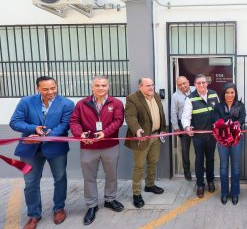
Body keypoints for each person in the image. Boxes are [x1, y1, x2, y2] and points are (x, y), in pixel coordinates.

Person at [10, 76, 74, 229]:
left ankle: (59, 208)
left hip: (55, 148)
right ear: (37, 88)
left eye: (53, 88)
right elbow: (15, 122)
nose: (50, 92)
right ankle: (33, 215)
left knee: (60, 178)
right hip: (29, 149)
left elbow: (64, 126)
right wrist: (33, 129)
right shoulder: (26, 102)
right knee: (30, 182)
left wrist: (45, 137)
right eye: (45, 89)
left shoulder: (67, 104)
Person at [69, 76, 125, 226]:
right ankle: (92, 205)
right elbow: (74, 121)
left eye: (104, 85)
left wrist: (105, 133)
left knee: (111, 174)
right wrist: (79, 134)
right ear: (92, 87)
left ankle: (110, 199)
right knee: (89, 177)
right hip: (88, 147)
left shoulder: (117, 103)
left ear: (108, 86)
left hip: (109, 146)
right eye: (98, 85)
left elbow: (118, 121)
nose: (101, 88)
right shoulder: (81, 104)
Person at [125, 77, 167, 208]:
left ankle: (150, 184)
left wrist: (162, 129)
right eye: (148, 85)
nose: (151, 88)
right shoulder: (132, 98)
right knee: (139, 166)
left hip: (155, 136)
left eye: (152, 85)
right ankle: (136, 193)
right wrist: (137, 129)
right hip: (142, 138)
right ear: (140, 87)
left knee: (153, 162)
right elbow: (130, 116)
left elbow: (161, 114)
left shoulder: (156, 96)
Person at [181, 74, 219, 198]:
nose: (201, 85)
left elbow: (219, 112)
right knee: (199, 161)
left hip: (212, 135)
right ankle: (200, 185)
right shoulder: (190, 98)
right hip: (198, 136)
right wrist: (187, 127)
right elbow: (185, 117)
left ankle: (210, 181)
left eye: (203, 82)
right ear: (195, 84)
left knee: (210, 159)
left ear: (207, 83)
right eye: (198, 83)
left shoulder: (214, 94)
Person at [215, 83, 246, 205]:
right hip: (222, 140)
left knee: (236, 168)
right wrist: (231, 123)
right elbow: (217, 121)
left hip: (236, 140)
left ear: (235, 93)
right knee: (223, 168)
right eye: (227, 92)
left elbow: (242, 119)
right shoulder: (218, 106)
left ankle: (235, 193)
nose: (230, 95)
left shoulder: (240, 105)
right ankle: (224, 193)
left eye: (232, 92)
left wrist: (228, 123)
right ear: (223, 93)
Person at [171, 76, 195, 180]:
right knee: (185, 149)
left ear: (188, 82)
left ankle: (201, 167)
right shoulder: (175, 96)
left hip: (197, 122)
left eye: (184, 83)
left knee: (199, 147)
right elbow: (173, 112)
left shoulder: (195, 89)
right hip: (183, 125)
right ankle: (187, 170)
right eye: (179, 85)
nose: (182, 86)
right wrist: (176, 128)